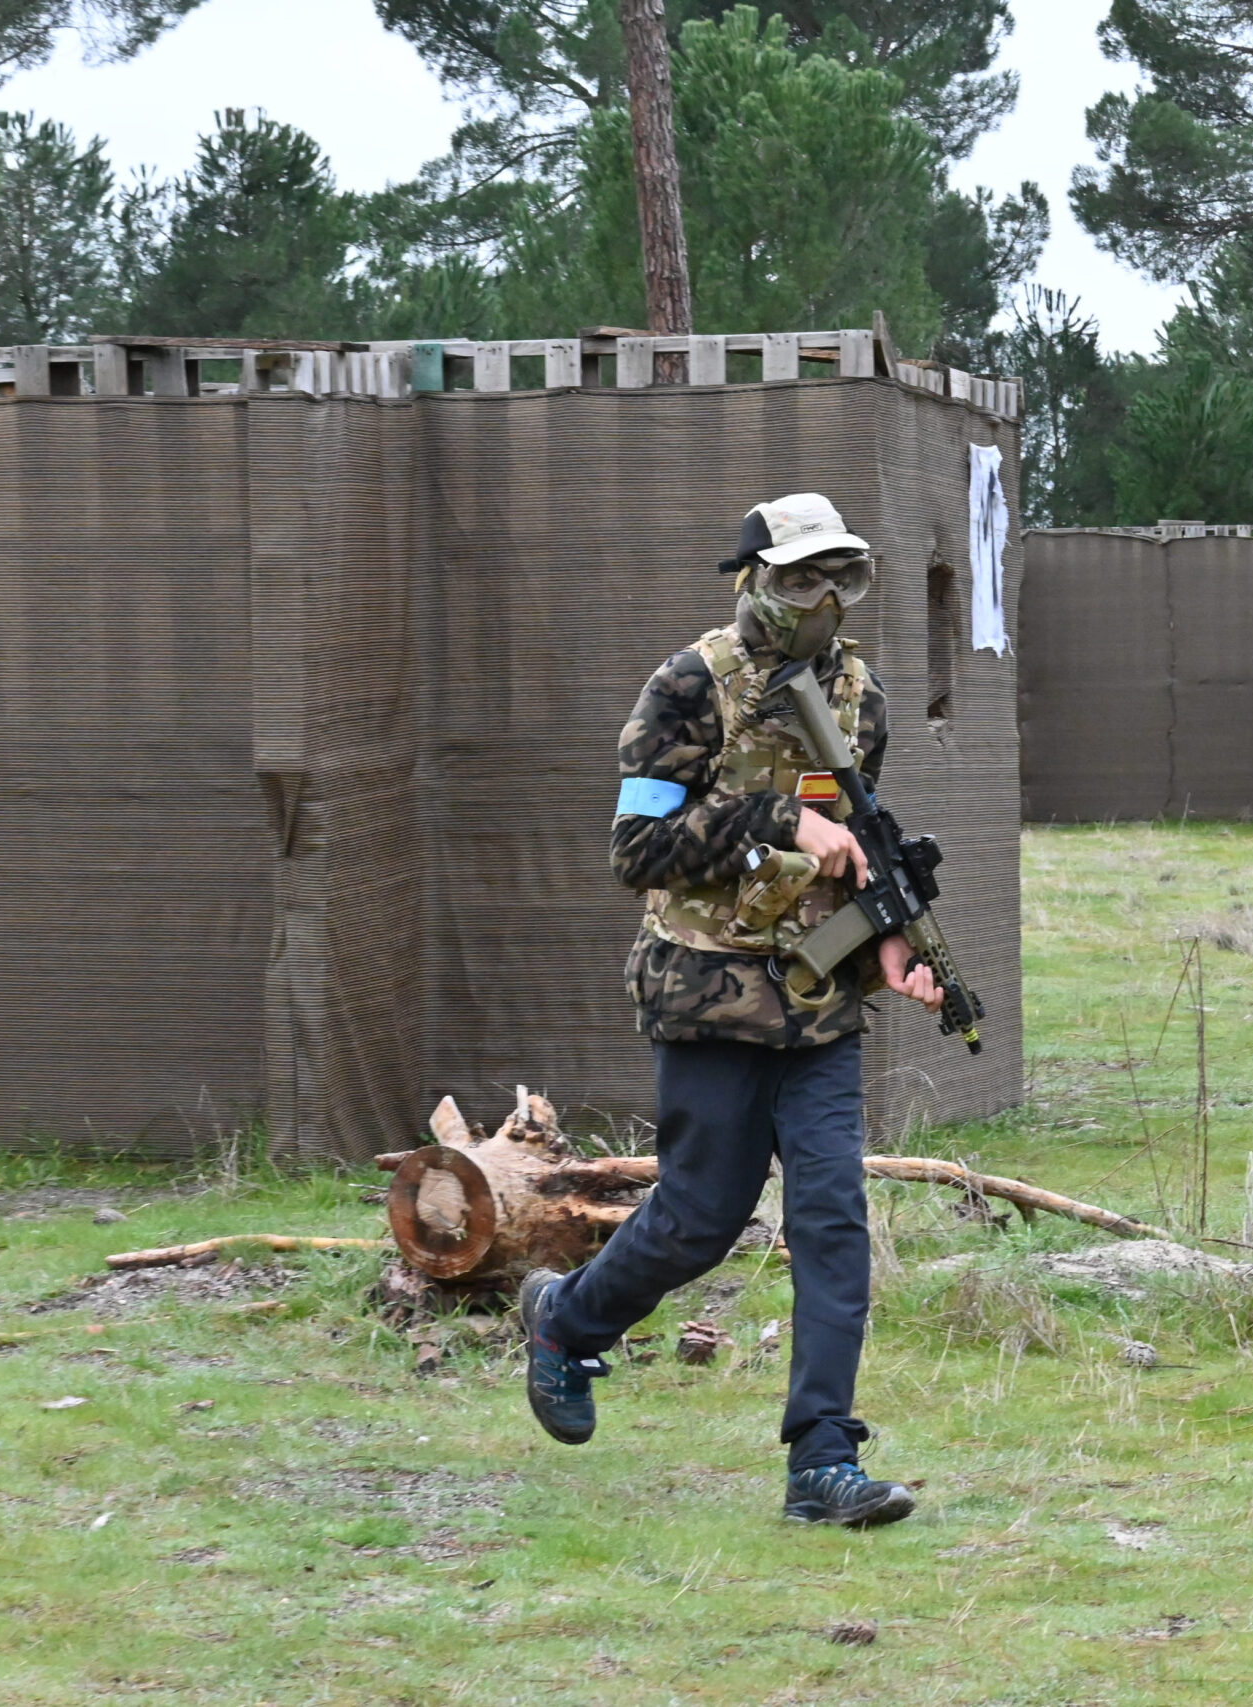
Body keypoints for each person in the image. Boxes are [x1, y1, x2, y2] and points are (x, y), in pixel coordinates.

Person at [516, 491, 945, 1529]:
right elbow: (637, 851)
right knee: (700, 1219)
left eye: (838, 577)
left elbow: (856, 847)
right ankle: (567, 1321)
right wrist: (778, 818)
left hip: (818, 1003)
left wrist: (889, 937)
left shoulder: (861, 699)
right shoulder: (687, 686)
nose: (821, 598)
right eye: (800, 577)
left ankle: (823, 1460)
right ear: (754, 579)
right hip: (707, 995)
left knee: (833, 1220)